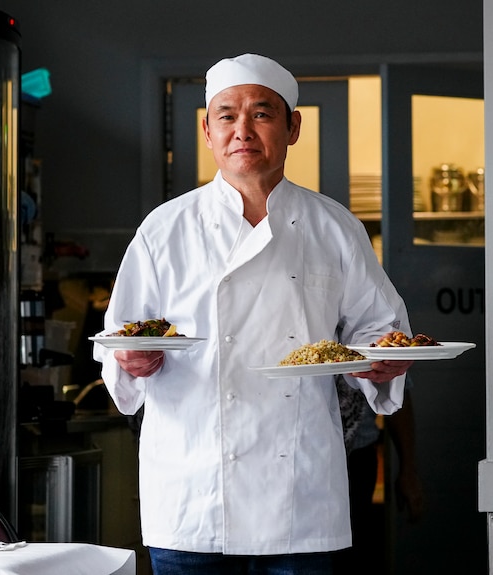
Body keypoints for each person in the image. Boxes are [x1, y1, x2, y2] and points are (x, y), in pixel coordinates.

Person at [93, 53, 413, 575]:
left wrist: (378, 362)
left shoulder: (334, 226)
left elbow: (381, 329)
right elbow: (119, 336)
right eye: (226, 115)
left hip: (299, 493)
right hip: (192, 488)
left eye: (262, 114)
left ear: (293, 128)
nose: (242, 129)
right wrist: (129, 360)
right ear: (207, 129)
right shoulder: (164, 229)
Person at [334, 378, 424, 574]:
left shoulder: (375, 346)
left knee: (354, 548)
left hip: (356, 456)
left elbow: (397, 394)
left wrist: (408, 471)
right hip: (304, 459)